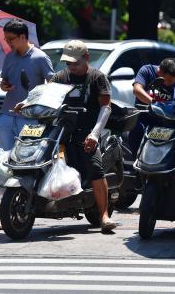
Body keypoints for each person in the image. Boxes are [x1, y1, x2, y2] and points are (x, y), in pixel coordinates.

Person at [48, 40, 117, 232]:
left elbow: (106, 108)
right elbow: (45, 95)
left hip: (87, 133)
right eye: (68, 63)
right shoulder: (60, 77)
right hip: (62, 132)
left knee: (95, 168)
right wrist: (27, 102)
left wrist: (94, 134)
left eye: (75, 63)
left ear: (86, 58)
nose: (71, 67)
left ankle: (104, 215)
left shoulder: (97, 78)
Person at [0, 19, 53, 213]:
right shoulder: (9, 57)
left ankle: (28, 199)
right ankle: (5, 201)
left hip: (30, 118)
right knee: (5, 159)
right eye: (6, 39)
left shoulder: (40, 57)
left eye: (11, 39)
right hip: (6, 114)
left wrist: (35, 99)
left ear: (22, 37)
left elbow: (51, 85)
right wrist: (4, 86)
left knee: (26, 160)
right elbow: (4, 82)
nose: (8, 42)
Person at [128, 58, 175, 154]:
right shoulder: (147, 70)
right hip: (143, 117)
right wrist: (155, 104)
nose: (170, 84)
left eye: (173, 82)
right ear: (160, 72)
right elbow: (137, 90)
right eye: (167, 80)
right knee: (136, 130)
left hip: (164, 122)